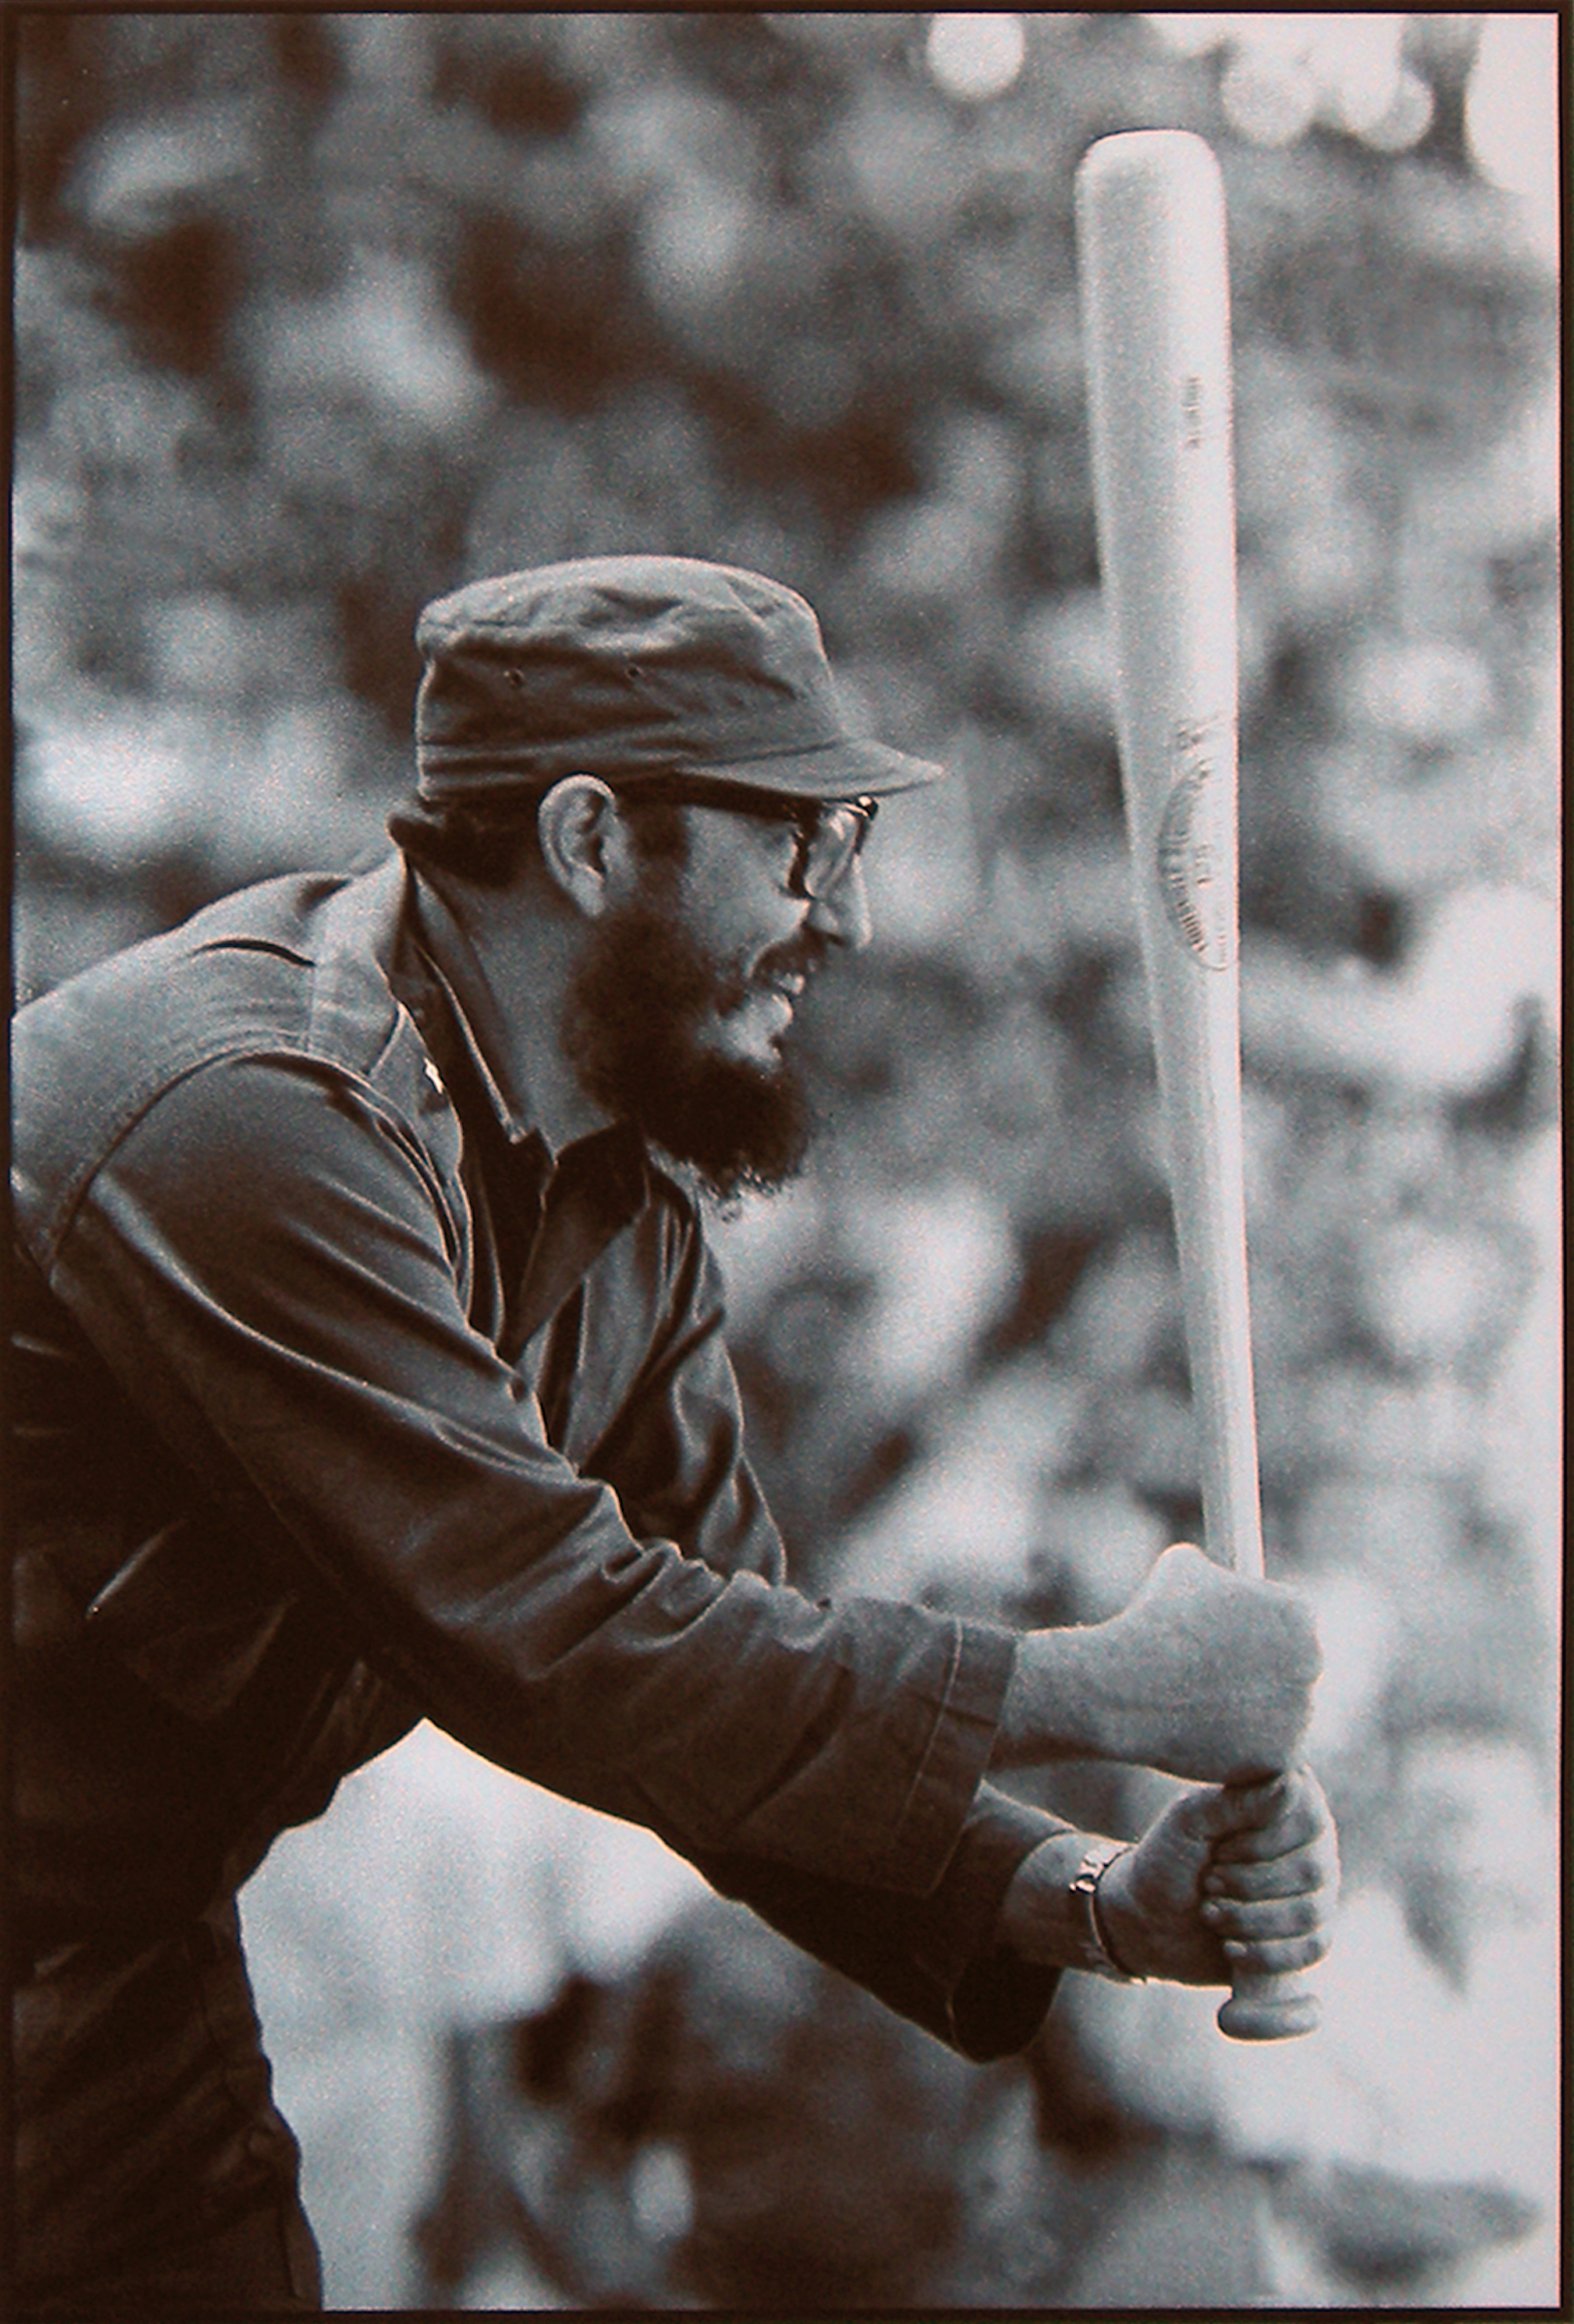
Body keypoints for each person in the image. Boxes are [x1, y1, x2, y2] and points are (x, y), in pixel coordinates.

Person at [10, 555, 1337, 2315]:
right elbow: (568, 1638)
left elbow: (717, 1701)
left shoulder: (618, 1207)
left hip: (106, 1953)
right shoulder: (251, 1111)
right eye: (802, 843)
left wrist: (1088, 1896)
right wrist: (1097, 1688)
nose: (847, 920)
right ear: (583, 841)